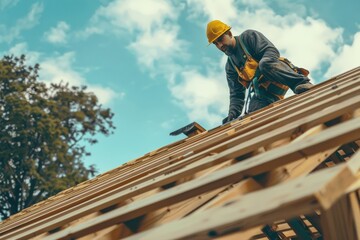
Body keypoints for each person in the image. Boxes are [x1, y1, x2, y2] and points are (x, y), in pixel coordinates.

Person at [206, 20, 313, 124]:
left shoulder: (248, 37)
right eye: (216, 43)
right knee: (253, 118)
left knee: (265, 64)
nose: (220, 45)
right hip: (266, 91)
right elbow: (236, 94)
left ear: (229, 34)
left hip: (279, 73)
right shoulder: (230, 66)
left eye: (220, 39)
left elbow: (271, 51)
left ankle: (301, 83)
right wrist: (232, 114)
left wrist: (261, 67)